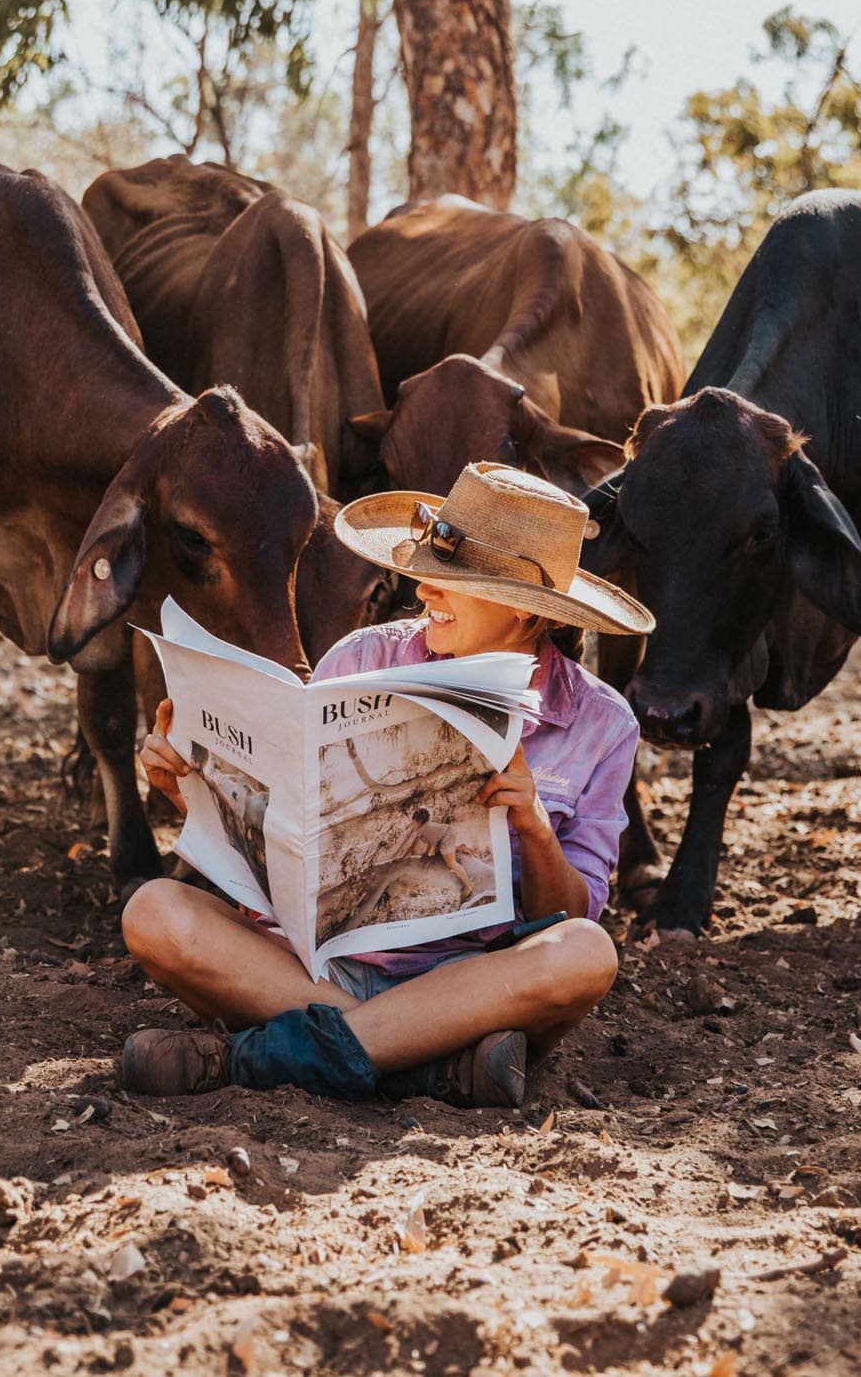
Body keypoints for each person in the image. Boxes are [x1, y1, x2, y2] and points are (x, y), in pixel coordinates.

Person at [117, 462, 654, 1109]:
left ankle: (251, 1060)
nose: (423, 590)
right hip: (317, 971)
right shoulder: (361, 660)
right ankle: (425, 1066)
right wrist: (196, 793)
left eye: (451, 580)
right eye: (426, 571)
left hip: (470, 986)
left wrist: (533, 826)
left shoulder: (601, 724)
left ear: (525, 611)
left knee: (587, 955)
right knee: (154, 912)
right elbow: (291, 838)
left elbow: (574, 914)